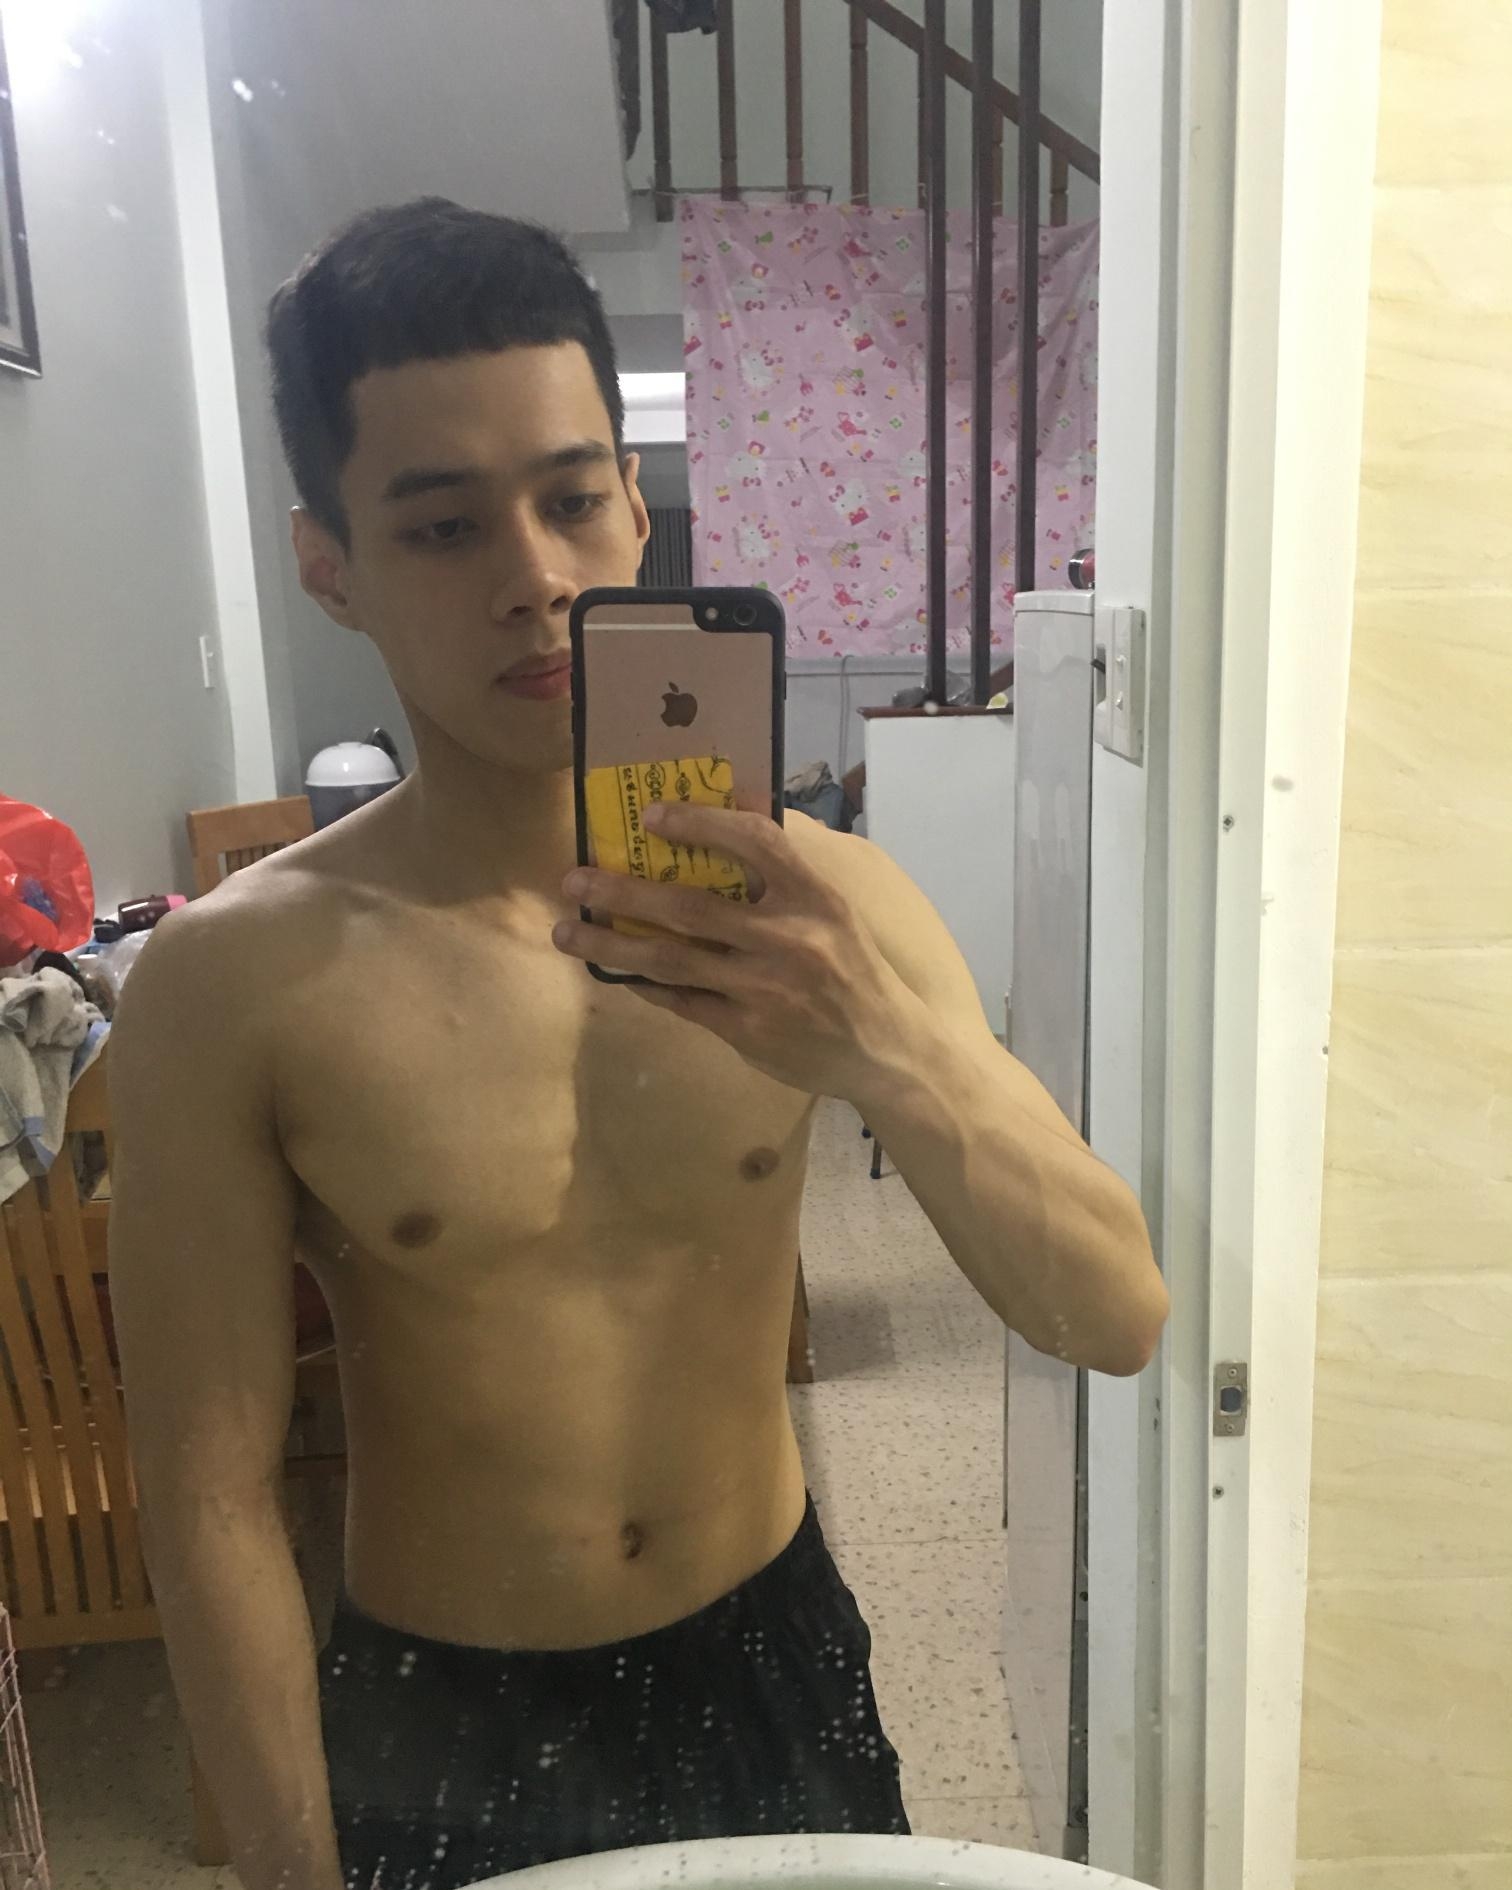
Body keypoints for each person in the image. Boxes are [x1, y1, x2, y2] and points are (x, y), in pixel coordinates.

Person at [108, 199, 1167, 1890]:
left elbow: (1112, 1315)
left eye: (572, 497)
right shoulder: (230, 984)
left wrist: (887, 1049)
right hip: (443, 1709)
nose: (535, 578)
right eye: (444, 526)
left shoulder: (830, 902)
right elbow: (210, 1491)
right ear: (330, 565)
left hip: (769, 1659)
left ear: (635, 502)